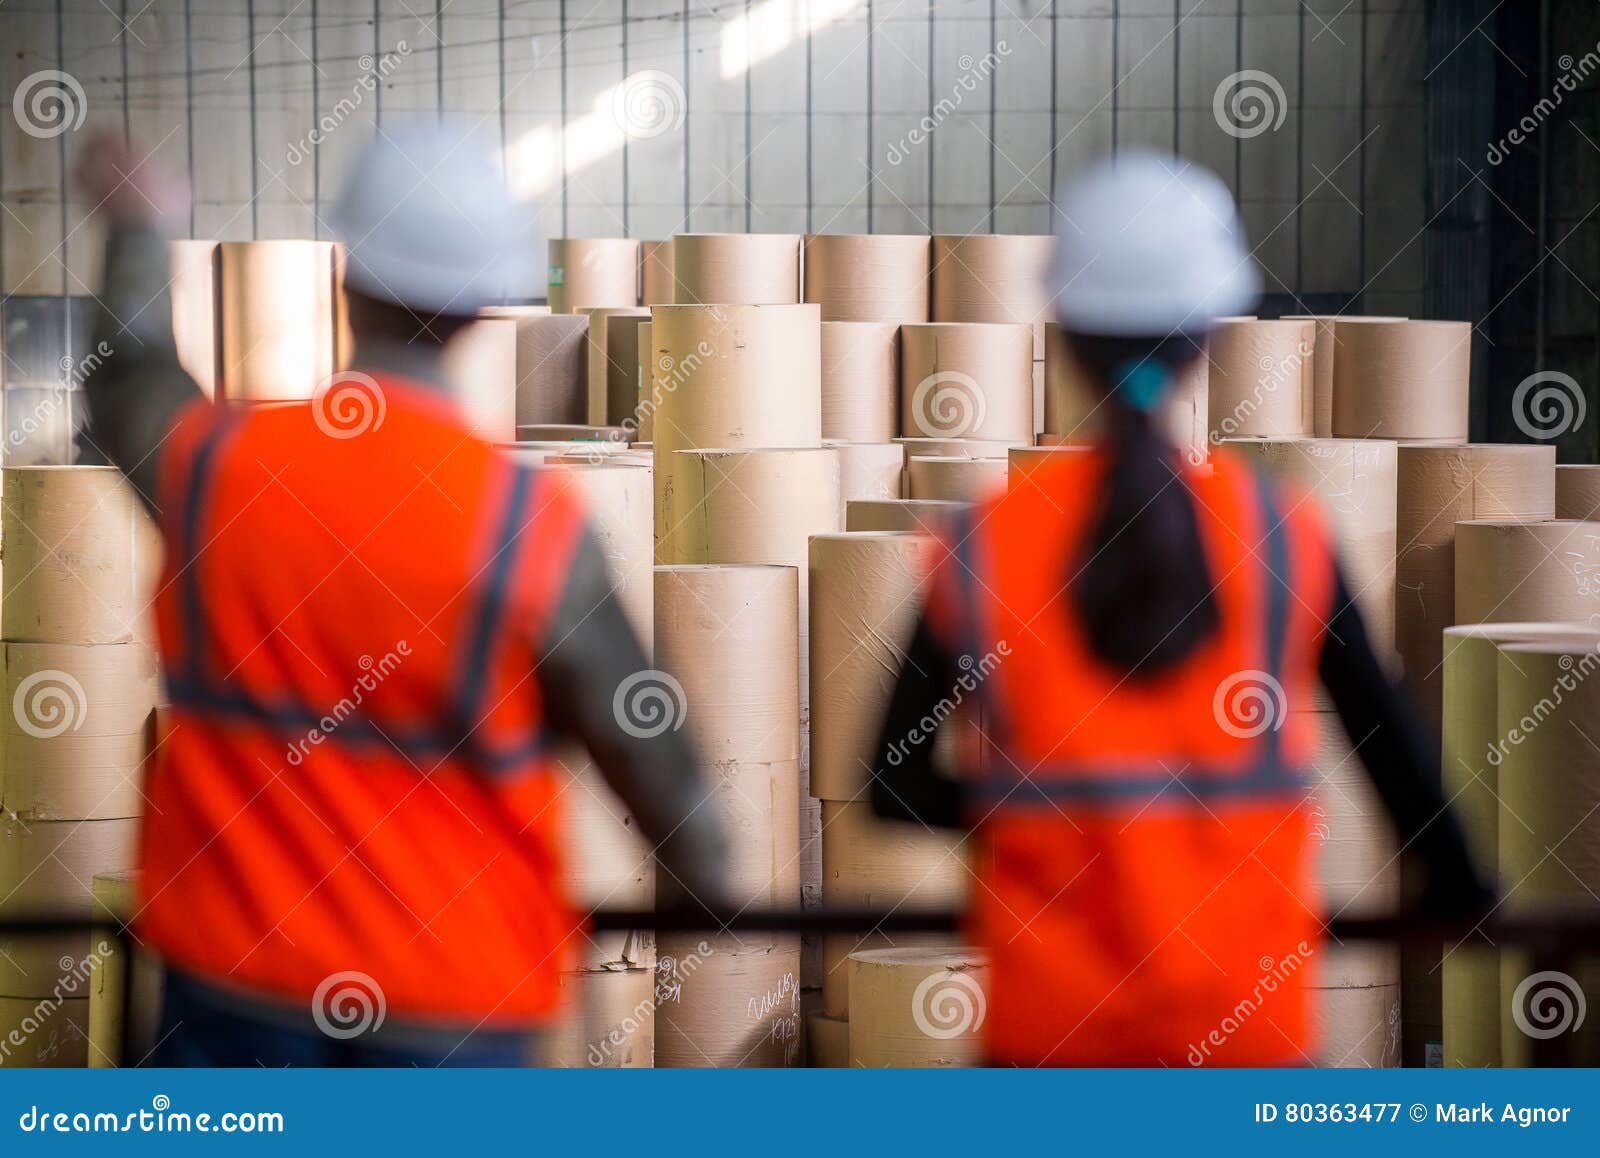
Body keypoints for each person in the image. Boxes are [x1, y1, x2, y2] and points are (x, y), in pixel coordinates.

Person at [74, 123, 727, 1067]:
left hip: (229, 986)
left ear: (345, 280)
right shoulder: (524, 525)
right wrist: (700, 882)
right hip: (451, 1006)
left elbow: (128, 377)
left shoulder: (221, 467)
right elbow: (652, 748)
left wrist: (140, 222)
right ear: (478, 313)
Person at [869, 152, 1491, 1067]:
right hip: (1242, 1037)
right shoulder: (1281, 538)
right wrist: (1463, 894)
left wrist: (1033, 824)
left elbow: (892, 784)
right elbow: (1409, 784)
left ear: (1067, 341)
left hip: (1052, 1045)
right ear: (1208, 336)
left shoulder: (984, 546)